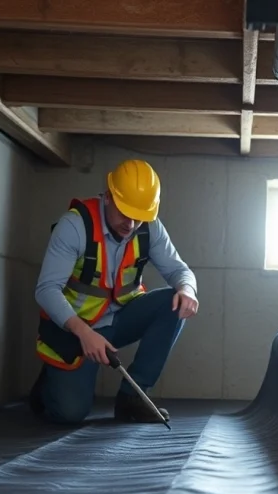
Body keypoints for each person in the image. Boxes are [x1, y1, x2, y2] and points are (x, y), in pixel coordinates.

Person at [29, 159, 199, 424]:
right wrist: (84, 333)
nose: (131, 225)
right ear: (108, 197)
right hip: (76, 329)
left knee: (173, 303)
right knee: (69, 414)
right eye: (124, 213)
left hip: (122, 318)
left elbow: (180, 270)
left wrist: (187, 289)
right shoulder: (74, 226)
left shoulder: (149, 227)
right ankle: (50, 383)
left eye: (139, 217)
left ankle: (134, 396)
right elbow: (46, 290)